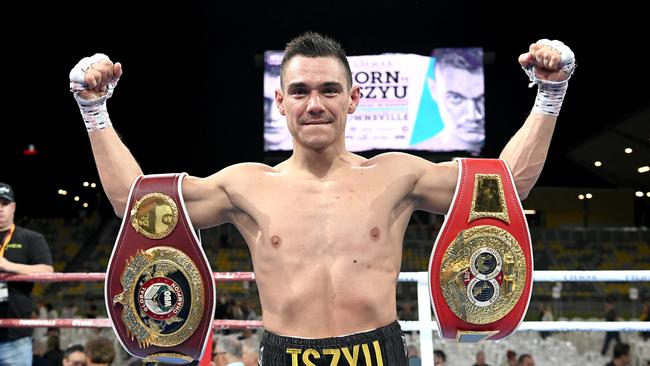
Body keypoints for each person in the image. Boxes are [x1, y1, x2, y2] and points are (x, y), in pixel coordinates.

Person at [69, 32, 574, 365]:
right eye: (301, 91)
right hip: (284, 353)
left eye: (330, 90)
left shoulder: (396, 174)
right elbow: (135, 206)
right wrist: (94, 111)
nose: (315, 104)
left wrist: (548, 96)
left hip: (380, 351)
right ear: (280, 100)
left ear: (354, 99)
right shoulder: (245, 184)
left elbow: (505, 189)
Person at [0, 182, 55, 366]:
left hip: (16, 337)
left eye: (4, 203)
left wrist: (9, 266)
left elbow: (47, 272)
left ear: (13, 207)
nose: (0, 209)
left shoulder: (30, 238)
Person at [413, 48, 485, 154]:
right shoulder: (415, 154)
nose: (474, 115)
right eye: (456, 98)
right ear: (433, 90)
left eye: (481, 99)